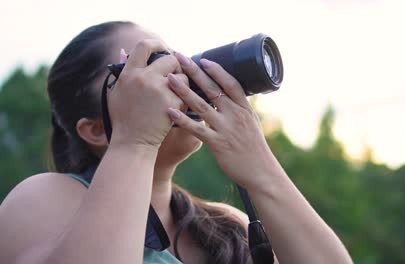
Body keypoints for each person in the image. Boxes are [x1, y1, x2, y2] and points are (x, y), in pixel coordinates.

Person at [0, 21, 352, 264]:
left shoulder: (225, 227)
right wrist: (134, 141)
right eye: (147, 68)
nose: (177, 78)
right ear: (95, 130)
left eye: (175, 61)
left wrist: (260, 168)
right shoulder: (47, 197)